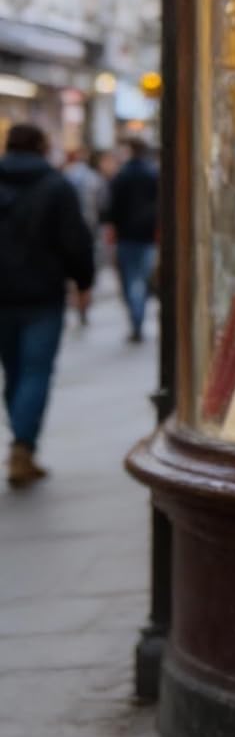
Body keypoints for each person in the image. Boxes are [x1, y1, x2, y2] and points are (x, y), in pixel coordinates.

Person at [0, 123, 95, 489]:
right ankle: (23, 444)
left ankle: (23, 443)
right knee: (36, 371)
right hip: (42, 294)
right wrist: (83, 282)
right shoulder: (56, 186)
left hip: (3, 296)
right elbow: (75, 239)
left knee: (14, 371)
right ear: (41, 146)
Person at [103, 139, 159, 344]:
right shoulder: (152, 174)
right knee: (141, 281)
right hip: (145, 236)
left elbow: (111, 208)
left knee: (129, 281)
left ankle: (136, 320)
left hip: (127, 236)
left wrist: (112, 228)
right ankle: (138, 318)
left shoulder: (122, 176)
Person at [62, 149, 108, 327]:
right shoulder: (93, 178)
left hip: (69, 229)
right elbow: (103, 203)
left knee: (69, 274)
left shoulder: (63, 177)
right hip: (89, 228)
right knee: (84, 270)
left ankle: (75, 302)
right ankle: (83, 305)